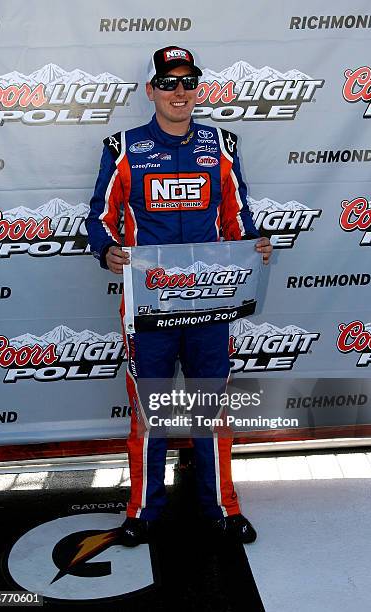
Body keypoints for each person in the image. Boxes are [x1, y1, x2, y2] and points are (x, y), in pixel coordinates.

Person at [86, 46, 273, 547]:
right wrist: (107, 250)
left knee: (211, 408)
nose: (180, 91)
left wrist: (254, 245)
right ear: (151, 90)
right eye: (168, 83)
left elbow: (238, 217)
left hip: (209, 303)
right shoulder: (122, 147)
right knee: (151, 412)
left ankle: (223, 507)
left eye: (188, 81)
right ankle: (143, 510)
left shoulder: (222, 145)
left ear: (198, 88)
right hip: (149, 305)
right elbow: (99, 219)